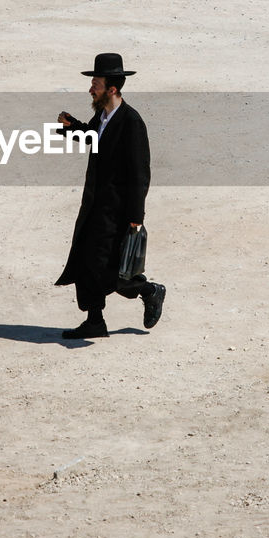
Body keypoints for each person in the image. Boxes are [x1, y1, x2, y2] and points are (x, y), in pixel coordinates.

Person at [54, 53, 165, 340]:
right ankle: (95, 321)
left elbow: (140, 174)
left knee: (112, 269)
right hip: (95, 205)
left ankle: (149, 290)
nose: (91, 89)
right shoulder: (102, 116)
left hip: (117, 212)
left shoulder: (131, 122)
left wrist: (135, 218)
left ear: (111, 89)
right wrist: (73, 127)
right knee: (88, 262)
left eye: (96, 84)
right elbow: (95, 136)